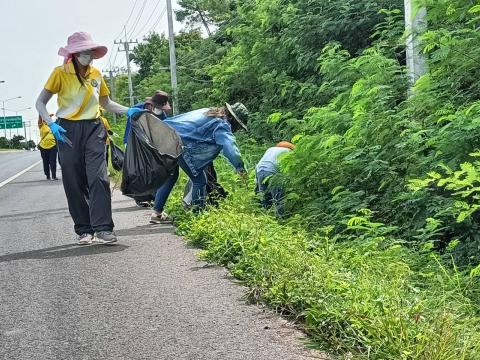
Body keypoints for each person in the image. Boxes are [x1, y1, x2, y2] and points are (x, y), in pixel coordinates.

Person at [35, 31, 129, 245]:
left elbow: (106, 103)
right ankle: (84, 230)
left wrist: (129, 110)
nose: (89, 55)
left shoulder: (96, 74)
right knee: (73, 179)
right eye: (85, 52)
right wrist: (52, 125)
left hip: (94, 128)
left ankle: (104, 228)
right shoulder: (60, 73)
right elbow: (40, 103)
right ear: (75, 54)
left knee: (98, 177)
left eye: (91, 51)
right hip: (66, 130)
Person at [149, 102, 249, 222]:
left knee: (171, 175)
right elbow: (230, 150)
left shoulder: (208, 111)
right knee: (200, 180)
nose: (236, 129)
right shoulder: (222, 123)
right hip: (178, 143)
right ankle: (198, 217)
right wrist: (241, 169)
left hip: (164, 134)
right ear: (233, 119)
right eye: (237, 125)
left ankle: (157, 213)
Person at [124, 91, 173, 208]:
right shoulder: (137, 110)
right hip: (132, 141)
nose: (161, 111)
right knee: (138, 170)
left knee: (152, 170)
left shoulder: (162, 115)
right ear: (151, 105)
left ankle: (152, 196)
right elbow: (133, 126)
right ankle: (140, 197)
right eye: (158, 108)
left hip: (151, 143)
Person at [255, 141, 295, 216]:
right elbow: (286, 169)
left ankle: (265, 217)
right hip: (273, 172)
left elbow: (259, 164)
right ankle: (281, 219)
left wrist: (257, 184)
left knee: (264, 197)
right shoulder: (288, 152)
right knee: (279, 198)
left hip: (260, 170)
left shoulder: (270, 149)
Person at [37, 115, 58, 180]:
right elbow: (40, 119)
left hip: (53, 146)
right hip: (43, 147)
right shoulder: (41, 125)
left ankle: (54, 176)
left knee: (53, 161)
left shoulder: (53, 126)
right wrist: (41, 112)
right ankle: (47, 175)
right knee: (45, 162)